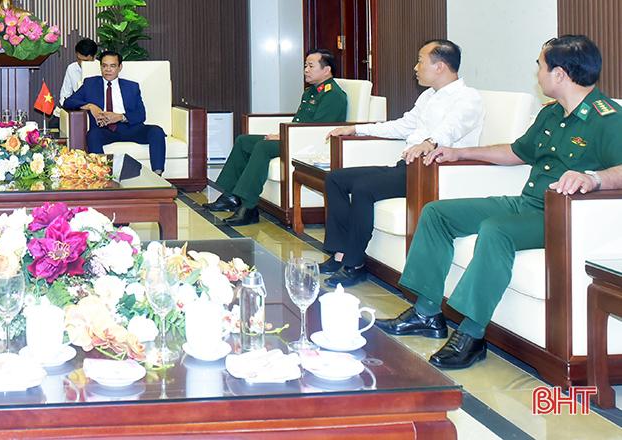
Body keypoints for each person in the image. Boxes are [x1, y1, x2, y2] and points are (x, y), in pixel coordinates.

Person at [377, 35, 622, 369]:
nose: (537, 73)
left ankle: (472, 335)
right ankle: (426, 313)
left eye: (540, 66)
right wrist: (459, 152)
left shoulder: (607, 118)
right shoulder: (551, 114)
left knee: (497, 230)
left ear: (559, 74)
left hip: (563, 217)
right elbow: (516, 151)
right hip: (528, 203)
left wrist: (594, 178)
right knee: (437, 214)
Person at [320, 40, 484, 288]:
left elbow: (453, 128)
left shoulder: (468, 97)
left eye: (420, 61)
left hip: (433, 172)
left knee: (364, 188)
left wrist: (429, 142)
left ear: (440, 66)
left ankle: (355, 263)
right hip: (409, 166)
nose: (415, 67)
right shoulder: (429, 96)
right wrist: (356, 128)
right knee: (336, 179)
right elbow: (403, 125)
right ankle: (340, 252)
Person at [207, 49, 348, 227]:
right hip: (294, 136)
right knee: (244, 141)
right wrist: (283, 135)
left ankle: (249, 207)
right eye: (305, 65)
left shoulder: (333, 95)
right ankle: (231, 196)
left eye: (311, 66)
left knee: (263, 147)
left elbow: (317, 130)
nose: (306, 70)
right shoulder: (310, 92)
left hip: (309, 144)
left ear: (326, 70)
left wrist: (283, 136)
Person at [62, 50, 167, 174]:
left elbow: (141, 114)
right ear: (100, 67)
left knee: (156, 131)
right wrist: (90, 106)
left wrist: (120, 117)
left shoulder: (131, 87)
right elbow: (68, 102)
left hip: (130, 128)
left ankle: (157, 174)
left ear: (119, 67)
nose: (108, 70)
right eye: (104, 66)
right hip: (104, 130)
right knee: (92, 135)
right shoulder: (90, 84)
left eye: (112, 66)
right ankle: (102, 174)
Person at [59, 38, 98, 105]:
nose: (81, 63)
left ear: (94, 57)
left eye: (85, 61)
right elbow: (65, 94)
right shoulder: (72, 68)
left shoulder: (102, 68)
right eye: (79, 59)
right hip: (78, 106)